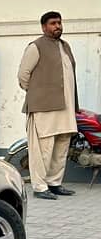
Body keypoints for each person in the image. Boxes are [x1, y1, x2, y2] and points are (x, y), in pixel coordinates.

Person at [17, 11, 78, 200]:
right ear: (44, 27)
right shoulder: (36, 46)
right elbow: (23, 76)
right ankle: (40, 186)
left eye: (59, 22)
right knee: (43, 148)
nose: (57, 26)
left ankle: (54, 183)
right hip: (44, 107)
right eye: (53, 23)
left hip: (65, 107)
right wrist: (38, 94)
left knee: (61, 146)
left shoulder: (65, 46)